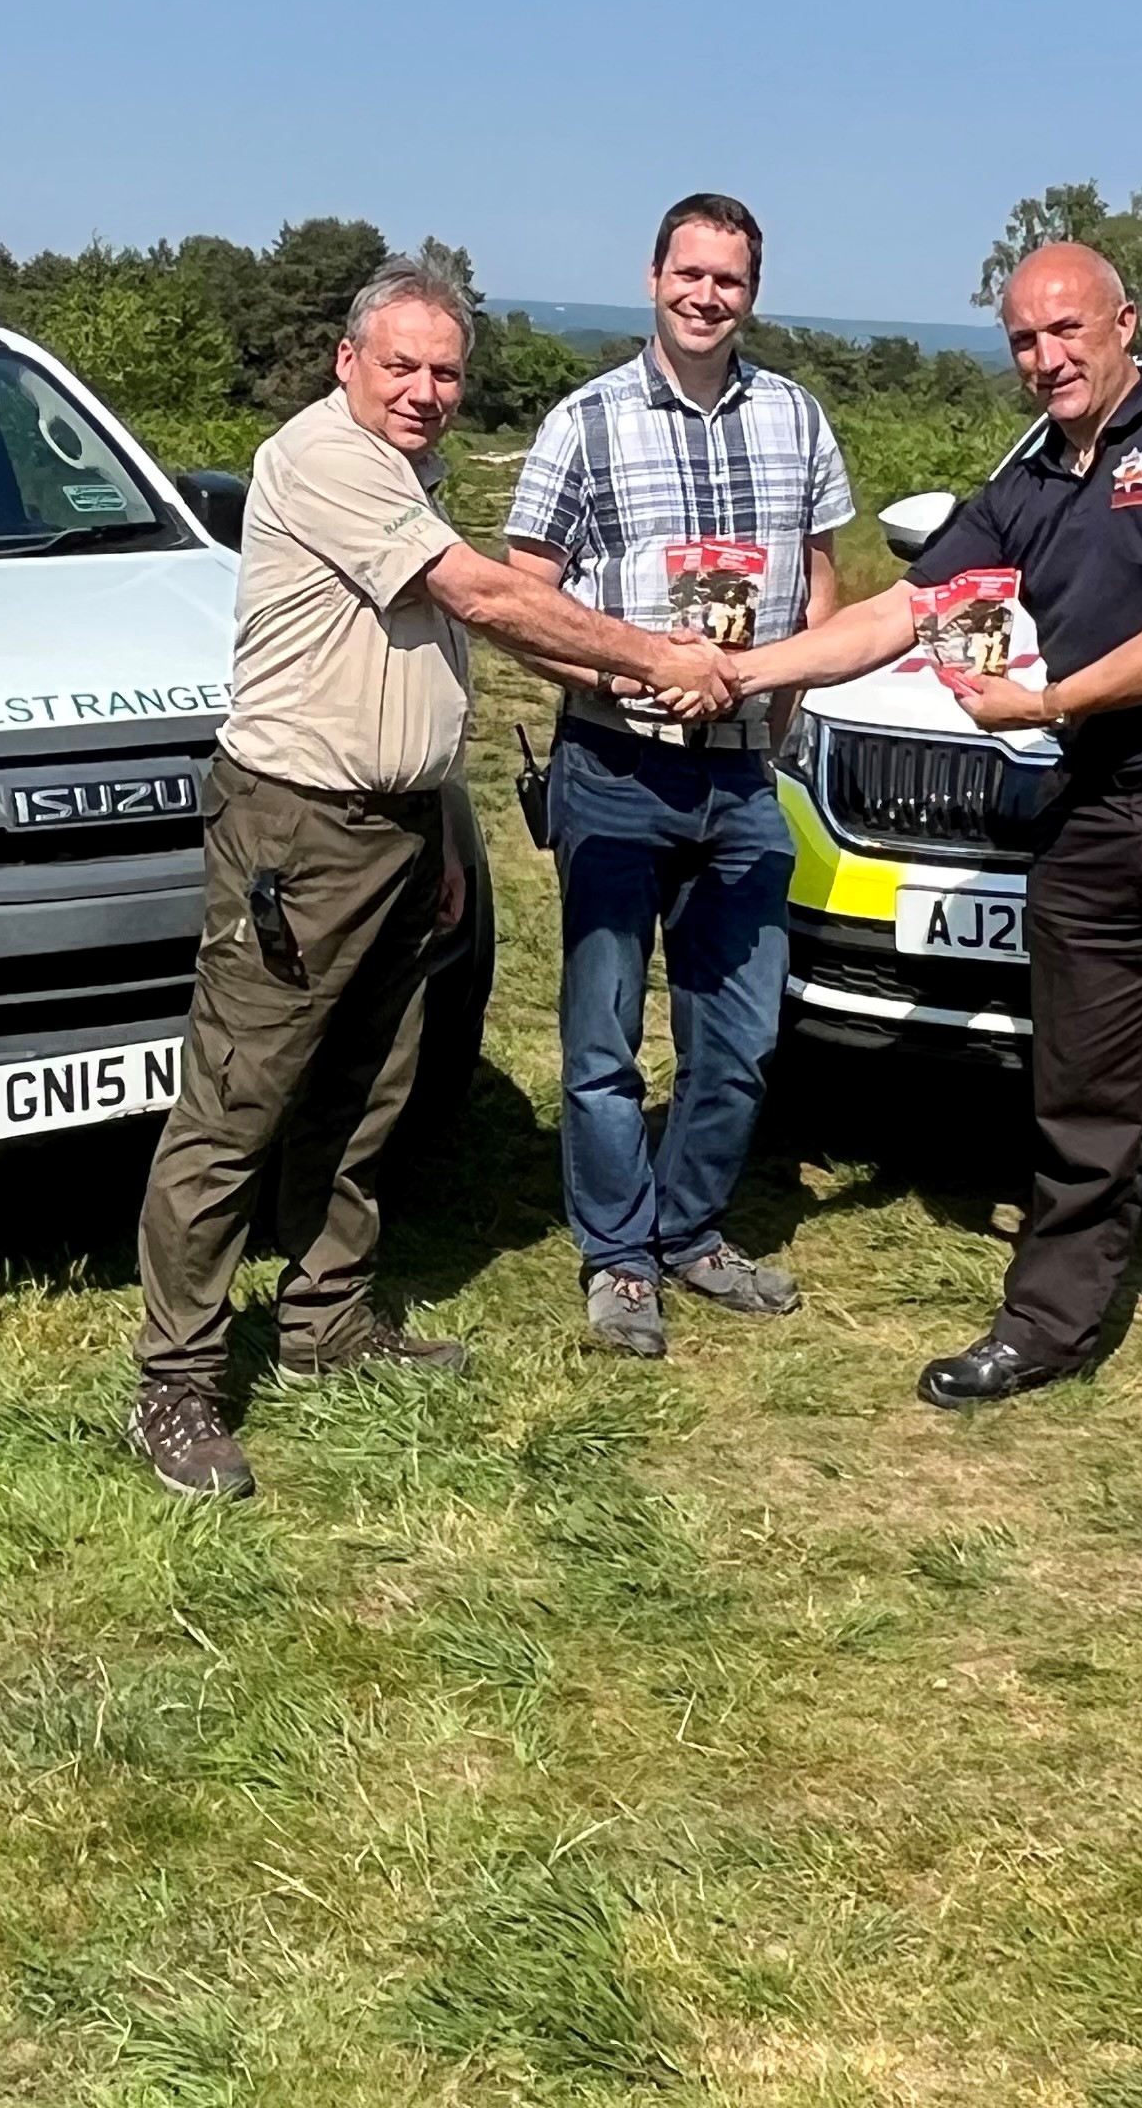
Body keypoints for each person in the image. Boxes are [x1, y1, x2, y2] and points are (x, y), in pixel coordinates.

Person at [727, 241, 1142, 1492]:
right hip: (1092, 815)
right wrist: (744, 671)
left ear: (1123, 324)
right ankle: (1047, 1326)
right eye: (1025, 341)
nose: (1046, 358)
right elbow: (907, 610)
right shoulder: (1031, 478)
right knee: (1081, 1098)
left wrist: (1046, 701)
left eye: (1066, 331)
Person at [129, 255, 743, 1501]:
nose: (423, 390)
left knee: (365, 1090)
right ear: (345, 362)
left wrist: (442, 829)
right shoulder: (325, 457)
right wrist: (649, 657)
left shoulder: (407, 465)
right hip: (299, 830)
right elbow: (476, 594)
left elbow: (422, 659)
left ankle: (328, 1322)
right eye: (399, 365)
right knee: (238, 1105)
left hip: (400, 823)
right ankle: (174, 1381)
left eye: (446, 371)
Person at [503, 191, 855, 1356]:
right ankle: (619, 1260)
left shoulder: (797, 418)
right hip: (614, 762)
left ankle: (692, 1231)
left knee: (741, 1036)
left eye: (731, 281)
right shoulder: (585, 423)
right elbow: (523, 594)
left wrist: (781, 706)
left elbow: (820, 581)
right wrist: (626, 680)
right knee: (603, 1036)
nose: (708, 296)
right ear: (653, 278)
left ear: (753, 293)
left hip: (744, 770)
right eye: (689, 274)